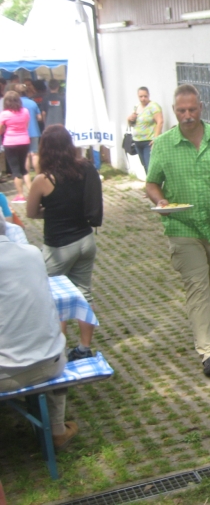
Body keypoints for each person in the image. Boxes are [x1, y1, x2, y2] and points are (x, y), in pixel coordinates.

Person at [145, 84, 210, 377]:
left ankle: (205, 326)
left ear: (201, 108)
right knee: (197, 285)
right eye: (181, 111)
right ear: (174, 111)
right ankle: (209, 352)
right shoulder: (163, 144)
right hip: (182, 225)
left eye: (192, 109)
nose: (187, 115)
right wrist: (160, 200)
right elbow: (152, 183)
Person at [0, 217, 79, 449]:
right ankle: (57, 429)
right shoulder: (32, 253)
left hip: (5, 376)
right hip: (50, 363)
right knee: (50, 338)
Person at [26, 124, 103, 361]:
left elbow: (30, 212)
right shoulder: (84, 170)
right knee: (84, 293)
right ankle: (84, 347)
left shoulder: (42, 180)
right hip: (85, 240)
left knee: (53, 296)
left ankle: (58, 349)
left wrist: (52, 212)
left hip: (59, 246)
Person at [0, 91, 31, 202]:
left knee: (15, 170)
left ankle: (20, 195)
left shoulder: (5, 114)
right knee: (24, 170)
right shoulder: (25, 111)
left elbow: (0, 129)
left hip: (10, 142)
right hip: (24, 141)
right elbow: (26, 126)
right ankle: (32, 191)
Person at [127, 86, 163, 172]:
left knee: (150, 166)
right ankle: (149, 180)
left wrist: (156, 139)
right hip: (137, 141)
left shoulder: (153, 106)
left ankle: (153, 181)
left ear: (149, 95)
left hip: (149, 141)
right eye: (141, 96)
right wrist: (130, 119)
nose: (143, 99)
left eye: (145, 96)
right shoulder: (136, 106)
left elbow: (160, 122)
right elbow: (132, 124)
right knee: (144, 166)